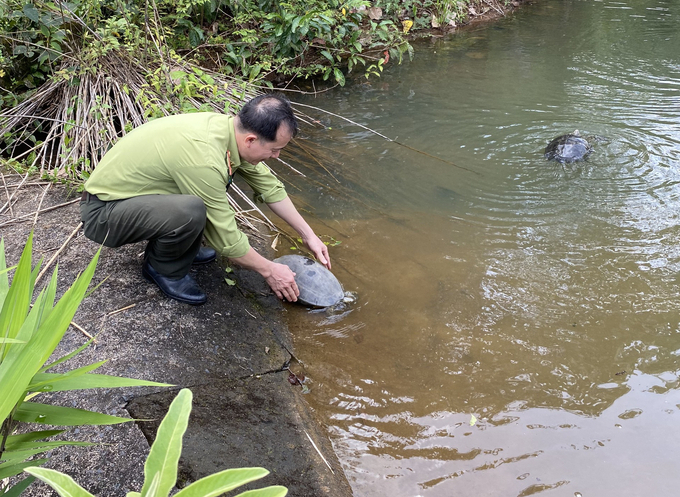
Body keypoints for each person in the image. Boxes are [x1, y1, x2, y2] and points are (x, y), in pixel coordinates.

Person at [80, 94, 330, 305]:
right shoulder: (204, 156)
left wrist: (309, 235)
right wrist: (269, 270)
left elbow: (270, 188)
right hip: (104, 214)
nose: (276, 156)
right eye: (274, 149)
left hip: (135, 200)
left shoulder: (229, 131)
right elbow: (228, 241)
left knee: (196, 206)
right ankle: (163, 268)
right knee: (192, 210)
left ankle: (180, 249)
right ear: (251, 140)